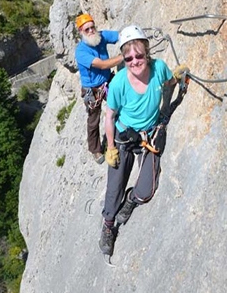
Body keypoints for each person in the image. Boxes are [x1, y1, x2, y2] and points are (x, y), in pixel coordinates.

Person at [99, 25, 188, 255]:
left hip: (148, 135)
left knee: (146, 190)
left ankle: (131, 200)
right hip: (124, 137)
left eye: (139, 55)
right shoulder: (119, 82)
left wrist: (177, 80)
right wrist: (110, 148)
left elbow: (167, 84)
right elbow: (109, 116)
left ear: (147, 53)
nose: (134, 61)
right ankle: (108, 225)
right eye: (128, 58)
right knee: (114, 186)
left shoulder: (158, 68)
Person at [74, 13, 124, 164]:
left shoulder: (100, 37)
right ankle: (95, 149)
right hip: (92, 89)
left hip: (107, 81)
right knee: (93, 120)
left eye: (92, 27)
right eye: (86, 29)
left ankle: (122, 132)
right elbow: (102, 65)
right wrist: (125, 56)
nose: (91, 31)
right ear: (81, 32)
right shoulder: (81, 51)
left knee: (119, 106)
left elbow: (120, 36)